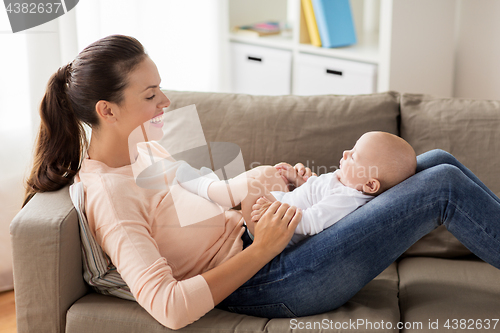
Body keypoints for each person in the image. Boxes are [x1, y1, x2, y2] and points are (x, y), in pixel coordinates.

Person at [23, 34, 500, 330]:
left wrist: (256, 187)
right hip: (269, 278)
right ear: (107, 111)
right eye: (150, 95)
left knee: (434, 160)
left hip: (265, 240)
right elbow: (168, 308)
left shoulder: (144, 148)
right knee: (441, 186)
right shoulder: (111, 195)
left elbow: (201, 193)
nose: (166, 100)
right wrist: (263, 248)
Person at [175, 131, 417, 246]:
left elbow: (312, 221)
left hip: (272, 231)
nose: (346, 153)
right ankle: (216, 191)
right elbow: (316, 192)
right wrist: (300, 181)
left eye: (354, 156)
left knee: (257, 181)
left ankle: (204, 187)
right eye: (351, 147)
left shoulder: (347, 199)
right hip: (280, 208)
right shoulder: (346, 182)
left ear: (370, 185)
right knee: (270, 174)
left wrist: (275, 210)